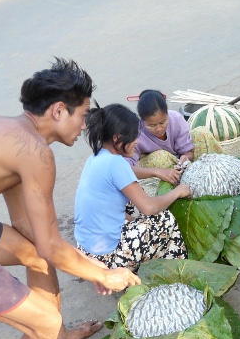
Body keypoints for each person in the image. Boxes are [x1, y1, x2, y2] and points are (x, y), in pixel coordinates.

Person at [0, 58, 141, 339]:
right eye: (82, 114)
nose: (85, 124)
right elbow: (52, 243)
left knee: (33, 253)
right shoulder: (35, 152)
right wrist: (104, 273)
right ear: (58, 110)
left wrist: (90, 268)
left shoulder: (15, 137)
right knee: (43, 320)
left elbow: (33, 233)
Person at [74, 103, 191, 271]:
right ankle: (173, 269)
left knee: (133, 199)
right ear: (117, 138)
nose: (137, 141)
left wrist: (156, 173)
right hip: (107, 256)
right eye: (133, 137)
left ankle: (144, 256)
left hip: (86, 249)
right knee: (164, 219)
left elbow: (125, 179)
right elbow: (149, 207)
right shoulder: (116, 163)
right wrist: (178, 192)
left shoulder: (97, 156)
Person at [126, 89, 224, 186]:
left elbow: (188, 152)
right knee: (159, 157)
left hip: (181, 163)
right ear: (142, 120)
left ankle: (221, 172)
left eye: (162, 122)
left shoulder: (176, 118)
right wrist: (157, 172)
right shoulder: (136, 133)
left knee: (201, 133)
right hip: (159, 170)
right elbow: (125, 168)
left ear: (167, 114)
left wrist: (185, 157)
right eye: (152, 125)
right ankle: (178, 188)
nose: (159, 129)